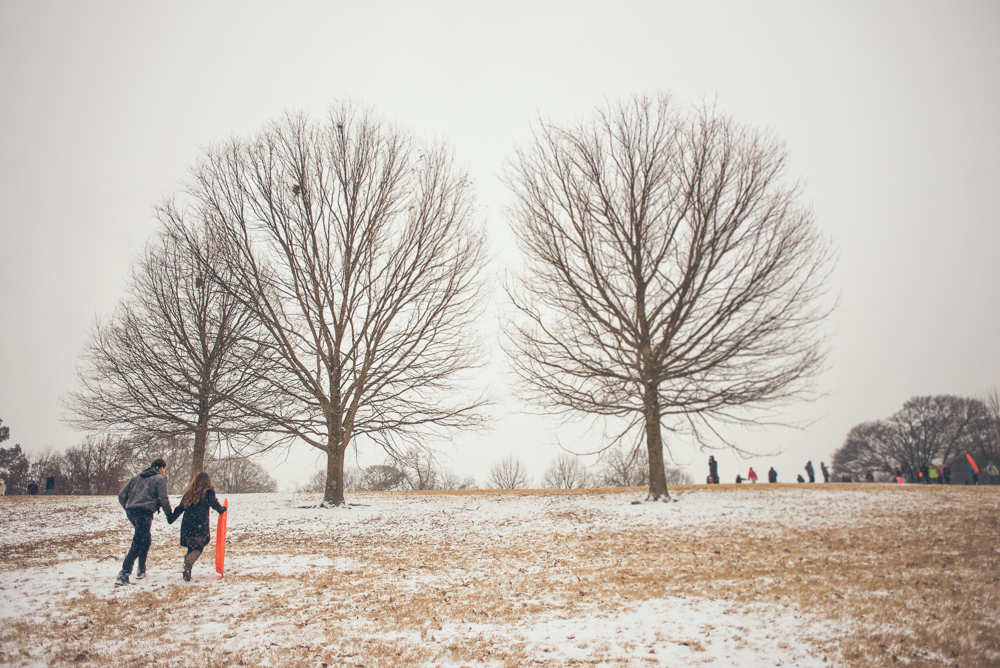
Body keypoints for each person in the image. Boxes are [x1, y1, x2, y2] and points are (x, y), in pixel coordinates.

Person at [115, 458, 173, 587]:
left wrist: (129, 507)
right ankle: (123, 574)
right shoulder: (160, 478)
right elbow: (163, 497)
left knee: (145, 538)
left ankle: (141, 569)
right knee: (139, 541)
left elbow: (121, 495)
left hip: (132, 512)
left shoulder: (136, 478)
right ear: (161, 468)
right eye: (164, 469)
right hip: (144, 513)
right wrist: (169, 515)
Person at [168, 472, 226, 582]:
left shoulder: (189, 493)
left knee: (191, 547)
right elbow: (215, 505)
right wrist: (222, 509)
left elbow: (180, 508)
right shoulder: (208, 492)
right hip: (200, 524)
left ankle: (187, 570)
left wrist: (171, 518)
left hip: (187, 524)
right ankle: (187, 565)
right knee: (199, 547)